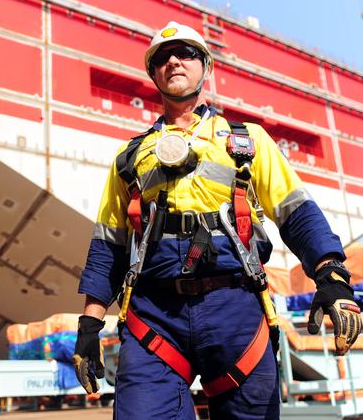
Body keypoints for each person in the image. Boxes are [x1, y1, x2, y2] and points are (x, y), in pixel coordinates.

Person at [72, 21, 362, 419]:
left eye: (186, 53)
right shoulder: (130, 157)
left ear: (205, 66)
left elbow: (297, 214)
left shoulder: (248, 141)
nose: (173, 60)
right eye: (161, 57)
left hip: (236, 310)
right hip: (154, 315)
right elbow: (110, 245)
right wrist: (89, 325)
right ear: (152, 74)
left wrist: (330, 275)